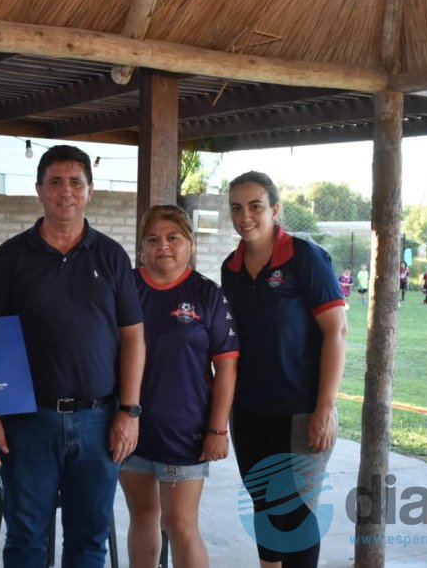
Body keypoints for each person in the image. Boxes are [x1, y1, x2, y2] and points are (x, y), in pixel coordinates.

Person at [0, 145, 146, 567]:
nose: (65, 191)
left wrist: (129, 411)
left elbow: (133, 339)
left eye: (75, 182)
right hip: (28, 422)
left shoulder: (111, 256)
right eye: (55, 182)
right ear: (39, 190)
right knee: (26, 539)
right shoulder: (11, 257)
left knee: (89, 540)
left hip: (98, 421)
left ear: (90, 191)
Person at [222, 171, 347, 568]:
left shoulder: (305, 258)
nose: (246, 217)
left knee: (294, 515)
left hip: (301, 411)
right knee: (263, 505)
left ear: (275, 209)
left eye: (255, 206)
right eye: (237, 208)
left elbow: (337, 331)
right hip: (249, 411)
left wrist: (325, 409)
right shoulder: (231, 267)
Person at [121, 205, 238, 568]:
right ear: (142, 248)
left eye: (173, 238)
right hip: (130, 427)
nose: (163, 247)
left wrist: (218, 428)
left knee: (180, 524)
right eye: (153, 239)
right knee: (142, 516)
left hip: (184, 430)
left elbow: (227, 369)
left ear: (190, 244)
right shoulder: (125, 288)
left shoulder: (207, 295)